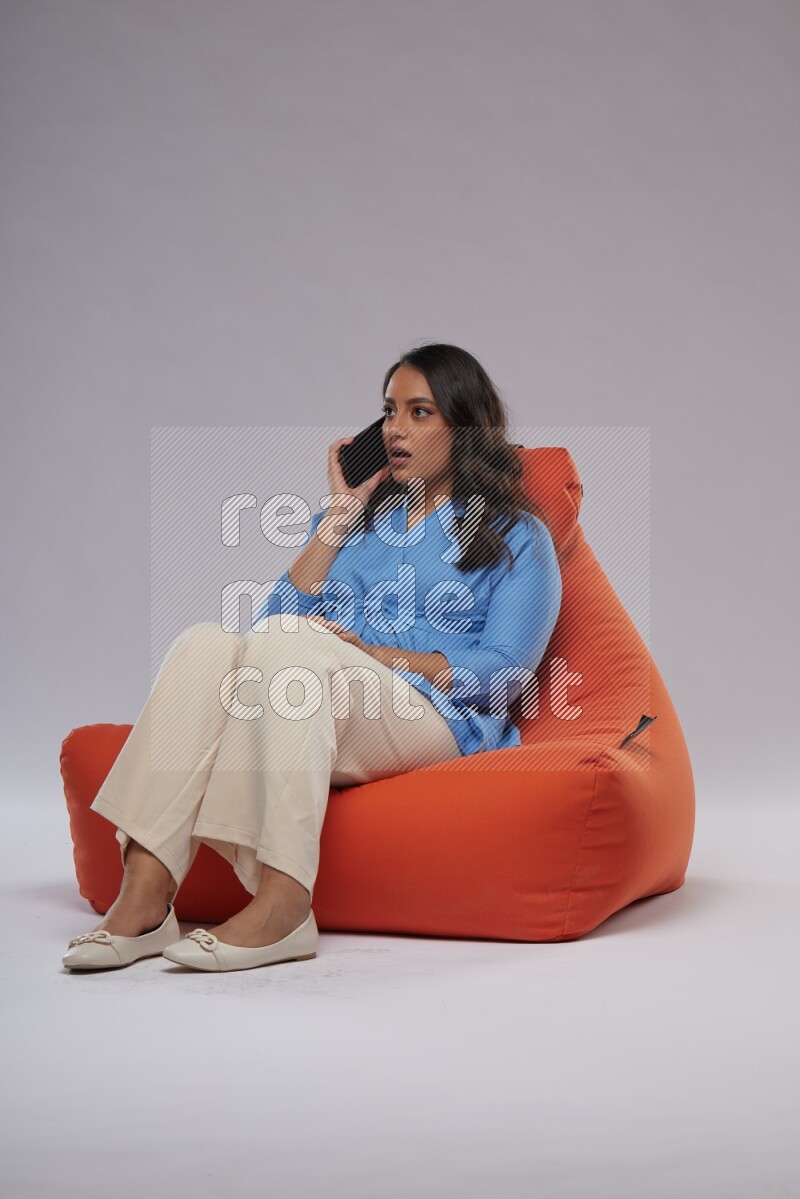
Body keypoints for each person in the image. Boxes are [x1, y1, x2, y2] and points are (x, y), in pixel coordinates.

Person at [62, 342, 563, 973]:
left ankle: (285, 901)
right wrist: (337, 517)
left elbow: (505, 672)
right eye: (388, 412)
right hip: (320, 692)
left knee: (292, 654)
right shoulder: (355, 523)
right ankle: (146, 893)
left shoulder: (518, 533)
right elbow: (268, 630)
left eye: (419, 413)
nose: (395, 430)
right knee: (204, 645)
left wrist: (381, 657)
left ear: (464, 428)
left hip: (439, 717)